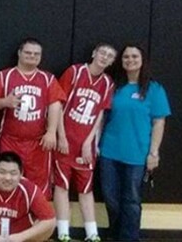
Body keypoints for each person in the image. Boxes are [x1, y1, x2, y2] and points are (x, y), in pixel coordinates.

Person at [99, 44, 171, 241]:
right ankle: (115, 236)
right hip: (109, 152)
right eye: (126, 57)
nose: (130, 60)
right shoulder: (114, 87)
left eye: (134, 56)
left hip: (137, 155)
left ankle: (129, 238)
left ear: (142, 60)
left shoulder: (154, 89)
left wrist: (153, 153)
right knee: (111, 200)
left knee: (131, 201)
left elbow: (159, 122)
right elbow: (101, 118)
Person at [53, 43, 116, 242]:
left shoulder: (107, 83)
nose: (105, 57)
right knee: (61, 187)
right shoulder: (75, 72)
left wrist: (90, 142)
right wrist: (61, 136)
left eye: (110, 56)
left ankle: (92, 234)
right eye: (102, 53)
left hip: (85, 144)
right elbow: (58, 104)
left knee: (86, 189)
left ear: (112, 61)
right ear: (94, 53)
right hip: (65, 139)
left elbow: (99, 114)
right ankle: (63, 232)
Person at [0, 38, 66, 199]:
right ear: (19, 53)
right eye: (28, 53)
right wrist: (5, 102)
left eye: (36, 54)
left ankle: (35, 222)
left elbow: (55, 104)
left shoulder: (47, 79)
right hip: (9, 140)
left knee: (37, 187)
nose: (32, 56)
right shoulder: (5, 76)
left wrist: (52, 132)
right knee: (4, 181)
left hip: (38, 143)